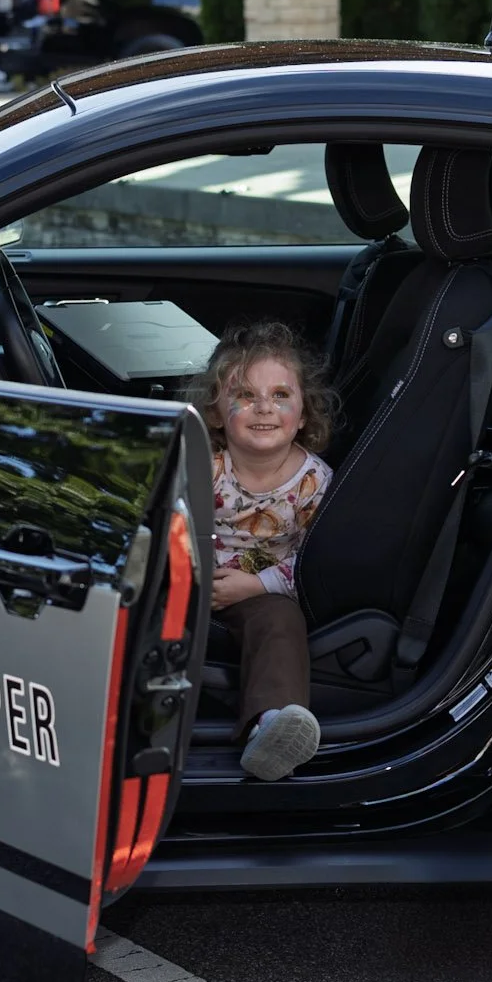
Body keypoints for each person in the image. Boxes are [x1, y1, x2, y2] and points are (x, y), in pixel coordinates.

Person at [192, 321, 333, 781]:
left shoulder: (312, 482)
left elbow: (314, 562)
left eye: (280, 395)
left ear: (304, 413)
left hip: (265, 590)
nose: (263, 408)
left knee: (279, 623)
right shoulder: (203, 467)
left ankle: (269, 724)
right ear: (216, 413)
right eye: (246, 396)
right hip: (191, 581)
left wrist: (252, 585)